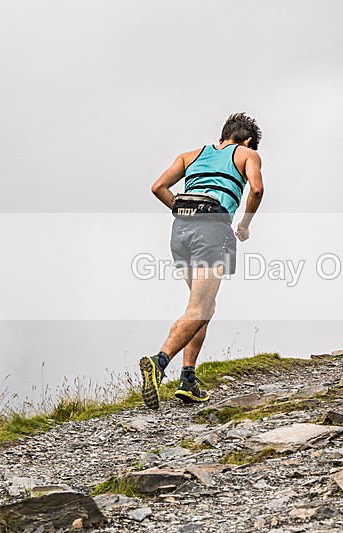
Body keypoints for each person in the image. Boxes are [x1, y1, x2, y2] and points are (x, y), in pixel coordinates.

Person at [140, 113, 264, 409]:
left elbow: (158, 187)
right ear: (247, 140)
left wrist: (185, 210)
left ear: (221, 137)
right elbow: (257, 189)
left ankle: (188, 378)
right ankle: (160, 361)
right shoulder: (247, 154)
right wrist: (245, 225)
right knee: (199, 307)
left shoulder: (189, 156)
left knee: (203, 306)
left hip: (180, 232)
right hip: (212, 229)